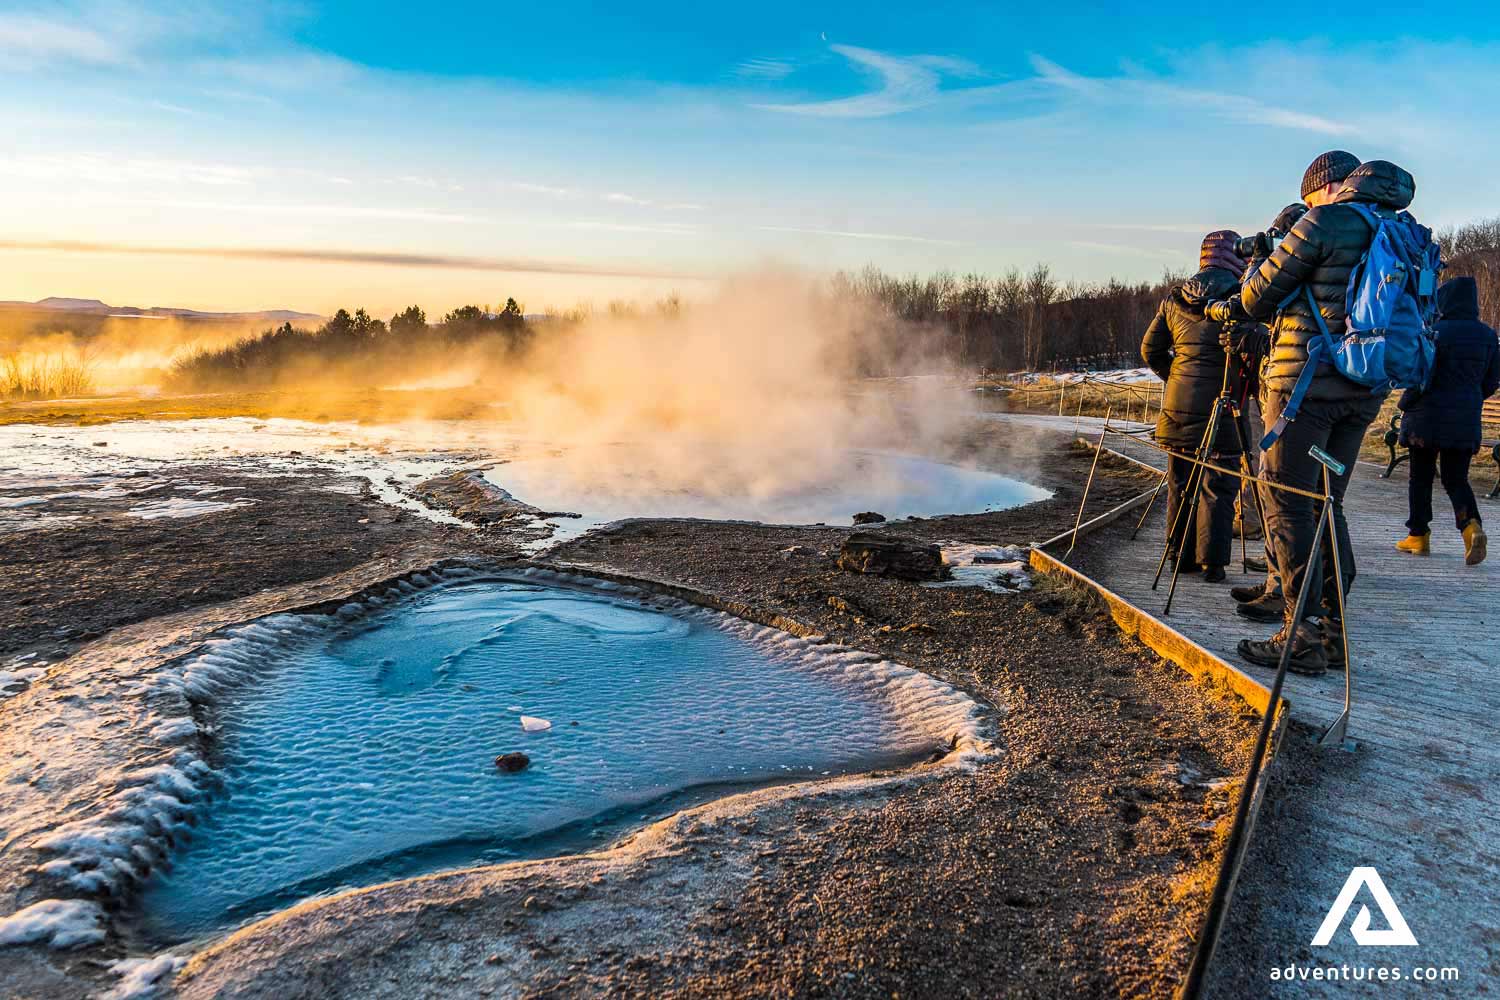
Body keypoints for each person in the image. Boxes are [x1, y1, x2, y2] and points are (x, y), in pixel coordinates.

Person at [1236, 155, 1418, 676]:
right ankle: (1334, 632)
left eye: (1312, 193)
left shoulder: (1323, 221)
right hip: (1362, 394)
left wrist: (1262, 254)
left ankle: (1302, 634)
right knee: (1326, 503)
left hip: (1305, 391)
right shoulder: (1401, 228)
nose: (1311, 202)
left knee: (1288, 502)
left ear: (1331, 187)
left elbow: (1254, 299)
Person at [1141, 231, 1247, 583]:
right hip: (1225, 403)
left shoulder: (1175, 298)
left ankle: (1179, 557)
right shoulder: (1243, 298)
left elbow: (1150, 350)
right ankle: (1213, 565)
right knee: (1219, 485)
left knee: (1180, 482)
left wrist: (1174, 378)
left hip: (1178, 406)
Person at [1394, 275, 1499, 565]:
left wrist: (1405, 403)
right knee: (1456, 478)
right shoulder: (1489, 336)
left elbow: (1418, 376)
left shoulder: (1433, 331)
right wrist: (1470, 397)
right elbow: (1492, 381)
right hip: (1465, 420)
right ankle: (1470, 526)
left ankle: (1418, 536)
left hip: (1425, 419)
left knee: (1420, 477)